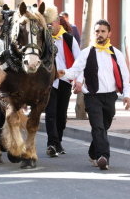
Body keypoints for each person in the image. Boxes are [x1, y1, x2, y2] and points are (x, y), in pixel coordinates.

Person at [57, 19, 130, 170]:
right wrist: (64, 73)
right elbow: (75, 70)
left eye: (103, 31)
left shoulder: (116, 53)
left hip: (110, 96)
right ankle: (103, 157)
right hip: (92, 96)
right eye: (97, 31)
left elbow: (125, 75)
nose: (100, 34)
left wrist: (126, 95)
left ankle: (93, 152)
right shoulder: (86, 52)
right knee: (97, 126)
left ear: (109, 33)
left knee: (105, 125)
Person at [45, 15, 80, 157]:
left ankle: (58, 142)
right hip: (48, 83)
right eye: (46, 23)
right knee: (50, 114)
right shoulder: (43, 39)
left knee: (61, 116)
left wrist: (79, 81)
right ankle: (51, 144)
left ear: (58, 23)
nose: (48, 25)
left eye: (51, 22)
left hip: (65, 81)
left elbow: (79, 62)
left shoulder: (69, 39)